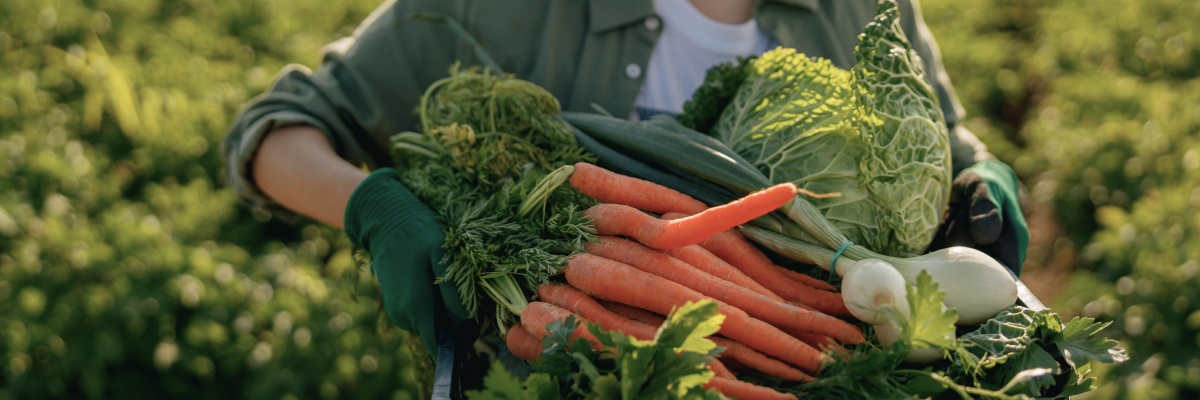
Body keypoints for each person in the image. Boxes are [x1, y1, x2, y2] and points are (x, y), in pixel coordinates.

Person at [222, 0, 1029, 393]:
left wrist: (980, 179)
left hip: (825, 365)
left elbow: (945, 138)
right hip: (556, 368)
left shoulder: (855, 2)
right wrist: (374, 205)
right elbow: (277, 129)